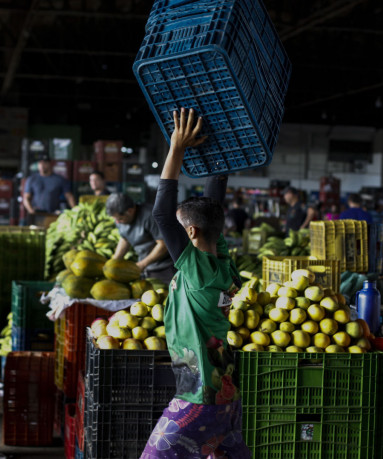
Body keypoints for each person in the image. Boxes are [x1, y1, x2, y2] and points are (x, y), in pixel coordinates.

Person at [142, 108, 248, 458]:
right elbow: (212, 206)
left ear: (190, 232)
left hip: (200, 396)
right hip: (225, 395)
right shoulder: (221, 261)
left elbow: (161, 213)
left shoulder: (195, 267)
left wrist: (176, 147)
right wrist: (221, 152)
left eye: (181, 227)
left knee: (155, 455)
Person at [107, 193, 176, 283]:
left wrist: (142, 264)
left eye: (120, 219)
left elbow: (163, 244)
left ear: (130, 211)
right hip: (146, 268)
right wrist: (115, 260)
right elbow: (125, 238)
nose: (117, 222)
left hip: (164, 268)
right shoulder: (120, 220)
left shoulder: (150, 216)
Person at [23, 154, 76, 223]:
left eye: (45, 163)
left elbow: (69, 196)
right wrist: (31, 210)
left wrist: (75, 211)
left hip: (53, 215)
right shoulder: (32, 179)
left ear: (50, 164)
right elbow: (26, 198)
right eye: (40, 163)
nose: (42, 165)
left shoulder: (59, 179)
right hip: (36, 214)